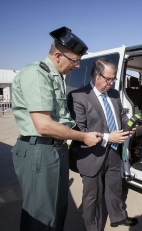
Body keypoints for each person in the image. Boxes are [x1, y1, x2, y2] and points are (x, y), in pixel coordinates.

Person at [11, 26, 103, 231]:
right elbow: (43, 125)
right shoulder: (36, 74)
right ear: (58, 55)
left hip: (55, 149)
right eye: (75, 61)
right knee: (41, 216)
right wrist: (83, 136)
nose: (78, 66)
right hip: (39, 150)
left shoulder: (56, 76)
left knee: (58, 210)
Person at [67, 57, 138, 231]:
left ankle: (118, 217)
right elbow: (80, 130)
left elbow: (121, 116)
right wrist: (108, 138)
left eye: (113, 79)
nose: (111, 84)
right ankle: (93, 227)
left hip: (113, 151)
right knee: (92, 196)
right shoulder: (78, 96)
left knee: (115, 187)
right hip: (91, 154)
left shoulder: (113, 94)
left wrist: (129, 125)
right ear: (96, 75)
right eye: (108, 79)